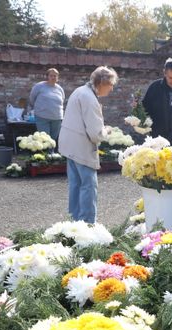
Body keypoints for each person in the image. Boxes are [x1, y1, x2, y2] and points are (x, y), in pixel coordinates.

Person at [58, 66, 118, 223]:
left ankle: (74, 223)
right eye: (111, 84)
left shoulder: (80, 91)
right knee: (88, 187)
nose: (112, 88)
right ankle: (87, 225)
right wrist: (107, 131)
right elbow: (95, 134)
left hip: (70, 146)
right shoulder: (90, 98)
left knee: (75, 185)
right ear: (103, 82)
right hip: (81, 148)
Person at [29, 68, 65, 143]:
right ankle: (45, 153)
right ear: (47, 77)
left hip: (57, 118)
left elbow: (62, 100)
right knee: (44, 139)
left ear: (57, 78)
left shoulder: (60, 89)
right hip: (42, 117)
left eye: (55, 76)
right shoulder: (39, 86)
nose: (53, 77)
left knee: (53, 139)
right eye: (51, 75)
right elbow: (32, 98)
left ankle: (51, 153)